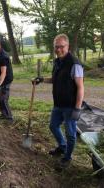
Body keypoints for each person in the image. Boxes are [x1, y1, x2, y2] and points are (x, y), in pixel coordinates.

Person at [32, 34, 84, 170]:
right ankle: (62, 146)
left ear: (68, 47)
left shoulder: (74, 63)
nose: (59, 49)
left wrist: (77, 108)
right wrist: (42, 79)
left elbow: (80, 86)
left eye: (62, 46)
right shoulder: (57, 62)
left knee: (70, 134)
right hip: (58, 104)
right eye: (56, 47)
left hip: (70, 106)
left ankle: (67, 157)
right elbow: (55, 79)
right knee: (53, 126)